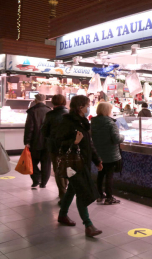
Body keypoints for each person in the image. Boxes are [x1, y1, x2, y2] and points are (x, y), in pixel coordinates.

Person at [56, 95, 103, 237]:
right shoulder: (67, 122)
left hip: (83, 162)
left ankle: (62, 215)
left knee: (72, 189)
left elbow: (89, 144)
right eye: (87, 105)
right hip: (74, 164)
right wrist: (74, 142)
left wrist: (96, 160)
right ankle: (88, 225)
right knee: (82, 191)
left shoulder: (83, 122)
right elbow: (58, 142)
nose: (89, 108)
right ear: (80, 107)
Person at [91, 102, 125, 205]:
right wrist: (123, 136)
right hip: (110, 154)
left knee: (101, 174)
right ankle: (109, 197)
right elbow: (116, 139)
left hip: (98, 153)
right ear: (107, 111)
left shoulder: (93, 122)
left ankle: (100, 195)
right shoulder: (110, 123)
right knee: (109, 175)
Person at [41, 94, 69, 203]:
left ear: (53, 102)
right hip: (68, 145)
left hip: (54, 146)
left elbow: (44, 131)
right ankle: (65, 189)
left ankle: (63, 193)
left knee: (58, 169)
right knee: (66, 167)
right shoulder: (70, 114)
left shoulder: (50, 115)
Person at [24, 94, 52, 188]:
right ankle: (43, 183)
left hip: (35, 142)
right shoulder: (49, 111)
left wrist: (27, 141)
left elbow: (30, 128)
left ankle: (36, 180)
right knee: (46, 163)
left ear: (35, 100)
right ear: (44, 101)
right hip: (47, 142)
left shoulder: (32, 111)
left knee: (32, 162)